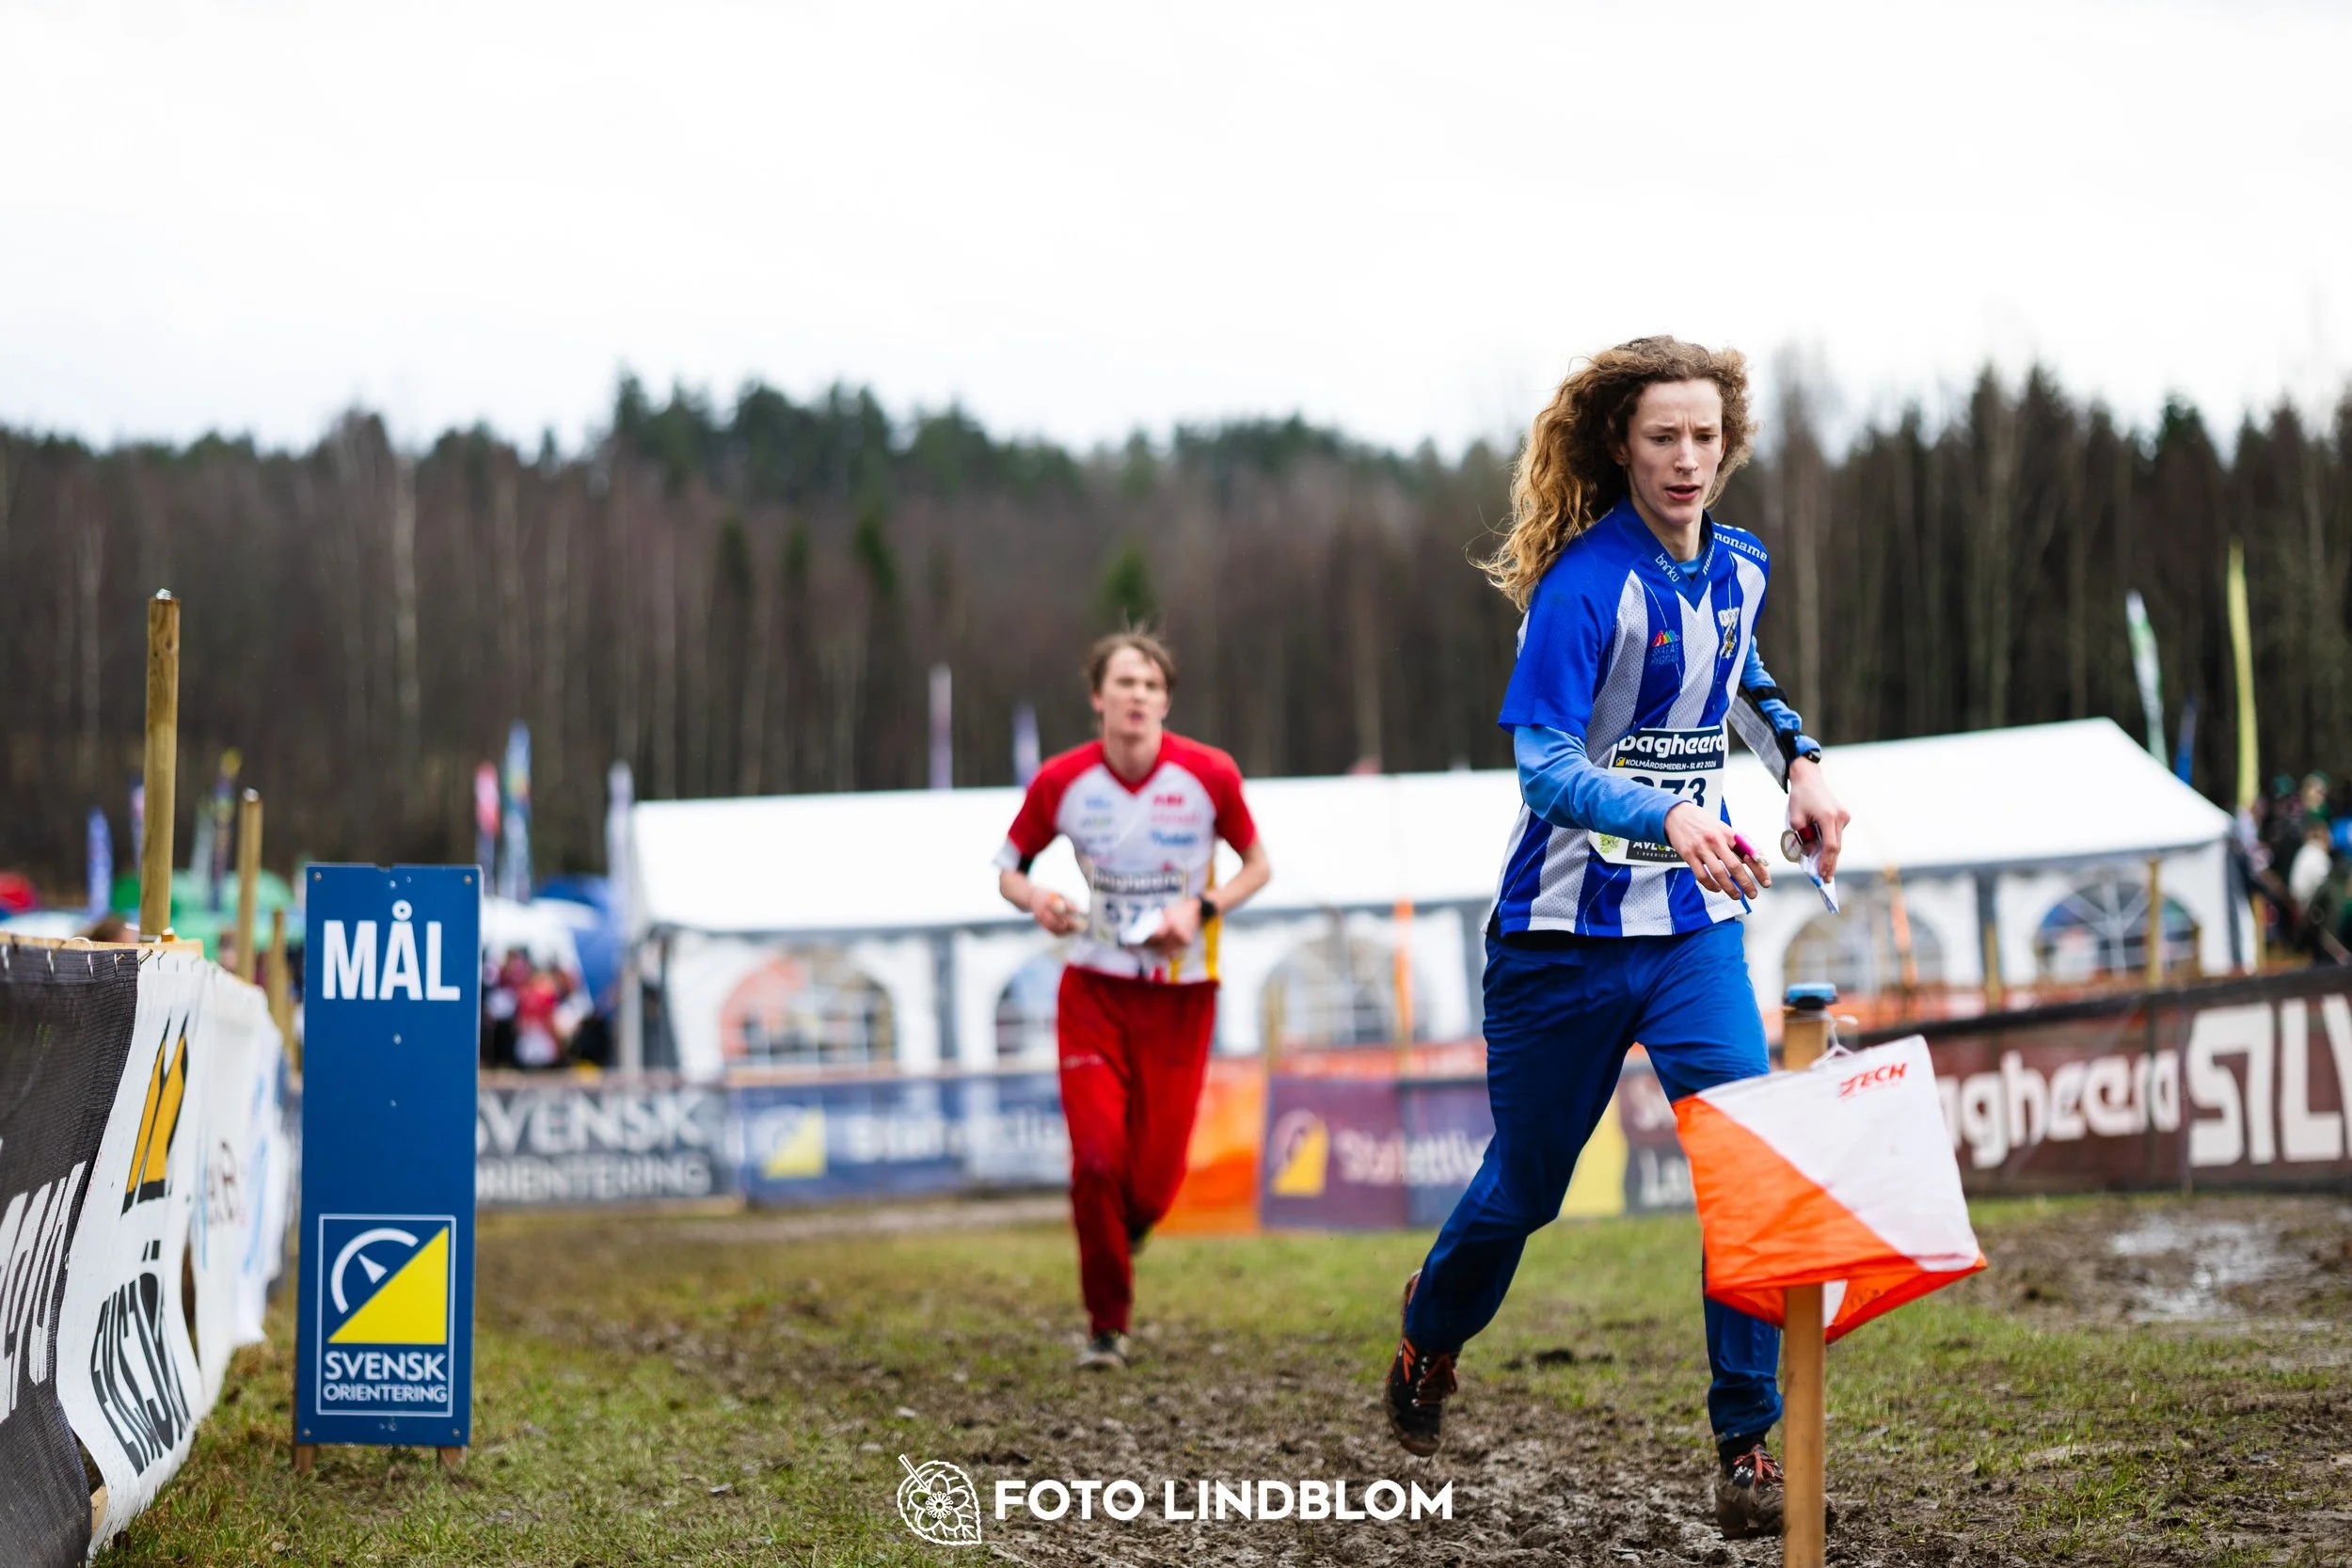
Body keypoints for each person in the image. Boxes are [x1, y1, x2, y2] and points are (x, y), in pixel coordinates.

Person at [1381, 337, 1851, 1539]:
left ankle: (1745, 1439)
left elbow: (1743, 686)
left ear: (1728, 446)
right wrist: (1670, 811)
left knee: (1743, 1164)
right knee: (1524, 1189)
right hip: (1559, 940)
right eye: (1661, 438)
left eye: (1704, 437)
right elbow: (1543, 768)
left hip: (1692, 930)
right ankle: (1430, 1334)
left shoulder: (1738, 566)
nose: (1686, 459)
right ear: (1619, 447)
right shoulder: (1583, 589)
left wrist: (1799, 765)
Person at [994, 631, 1273, 1370]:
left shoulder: (1208, 774)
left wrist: (1201, 909)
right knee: (1094, 1160)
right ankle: (1106, 1325)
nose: (1138, 695)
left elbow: (1258, 865)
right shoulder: (1062, 781)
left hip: (1181, 996)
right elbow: (1008, 869)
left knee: (1152, 1181)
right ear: (1098, 697)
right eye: (1125, 682)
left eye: (1152, 684)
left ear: (1166, 700)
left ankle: (1134, 1225)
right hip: (1094, 989)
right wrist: (1040, 899)